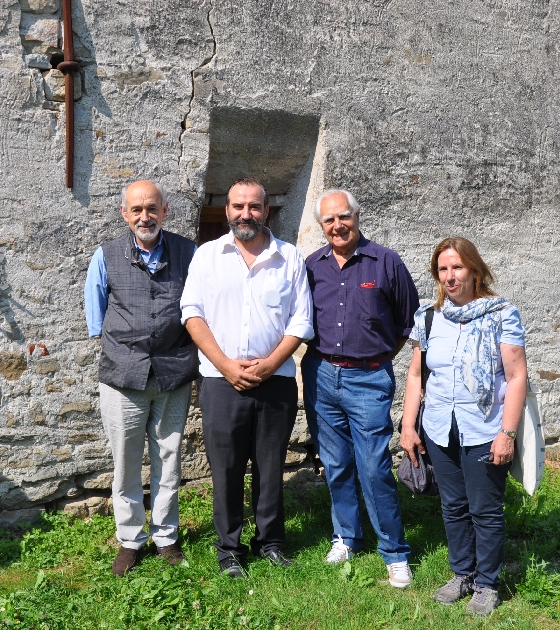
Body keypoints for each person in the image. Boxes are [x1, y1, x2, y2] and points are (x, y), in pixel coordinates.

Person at [180, 177, 314, 578]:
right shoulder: (207, 256)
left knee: (270, 465)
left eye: (254, 207)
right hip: (221, 381)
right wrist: (224, 364)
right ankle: (229, 549)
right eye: (238, 206)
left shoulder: (289, 257)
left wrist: (272, 362)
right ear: (226, 211)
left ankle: (270, 543)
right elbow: (191, 312)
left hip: (276, 380)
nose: (245, 214)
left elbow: (302, 319)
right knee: (226, 467)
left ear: (266, 211)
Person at [398, 237, 527, 616]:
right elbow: (415, 375)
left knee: (485, 509)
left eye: (457, 268)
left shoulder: (501, 314)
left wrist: (507, 433)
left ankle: (487, 584)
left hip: (484, 427)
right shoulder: (428, 316)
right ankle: (462, 574)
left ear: (474, 269)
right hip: (440, 426)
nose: (449, 277)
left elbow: (517, 376)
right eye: (442, 269)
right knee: (453, 505)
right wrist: (408, 426)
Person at [302, 189, 419, 588]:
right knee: (335, 465)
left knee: (373, 466)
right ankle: (346, 536)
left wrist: (377, 356)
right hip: (319, 374)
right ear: (322, 226)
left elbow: (408, 322)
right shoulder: (311, 266)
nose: (338, 225)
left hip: (368, 378)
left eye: (344, 217)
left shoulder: (386, 262)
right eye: (329, 220)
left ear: (357, 216)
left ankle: (395, 551)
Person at [84, 180, 198, 576]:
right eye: (136, 210)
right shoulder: (106, 255)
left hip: (173, 374)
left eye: (152, 208)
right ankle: (130, 540)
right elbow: (96, 317)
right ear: (124, 214)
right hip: (123, 375)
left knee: (170, 458)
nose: (144, 216)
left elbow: (199, 307)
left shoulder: (190, 253)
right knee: (126, 461)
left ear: (165, 211)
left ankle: (166, 537)